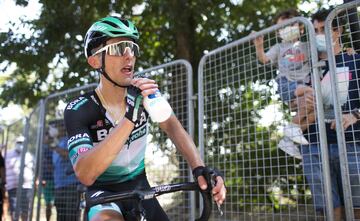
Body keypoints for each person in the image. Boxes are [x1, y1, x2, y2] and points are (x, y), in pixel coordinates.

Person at [64, 16, 226, 221]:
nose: (129, 55)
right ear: (95, 60)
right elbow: (86, 173)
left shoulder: (145, 94)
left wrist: (199, 168)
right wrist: (129, 118)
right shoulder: (78, 109)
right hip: (103, 193)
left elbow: (173, 128)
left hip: (140, 186)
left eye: (132, 48)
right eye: (118, 48)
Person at [302, 8, 360, 221]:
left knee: (357, 206)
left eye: (324, 29)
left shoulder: (356, 60)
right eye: (315, 30)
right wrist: (299, 101)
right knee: (327, 209)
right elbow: (292, 104)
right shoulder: (305, 67)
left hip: (353, 143)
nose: (319, 34)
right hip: (314, 145)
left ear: (338, 30)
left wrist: (354, 115)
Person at [253, 9, 316, 159]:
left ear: (300, 28)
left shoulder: (308, 45)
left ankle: (288, 140)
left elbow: (327, 52)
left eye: (290, 25)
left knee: (317, 108)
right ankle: (291, 129)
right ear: (277, 33)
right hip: (287, 84)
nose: (286, 30)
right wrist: (259, 46)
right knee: (313, 93)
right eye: (282, 27)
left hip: (303, 85)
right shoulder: (279, 48)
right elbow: (264, 59)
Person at [48, 122, 80, 221]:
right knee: (60, 215)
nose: (55, 129)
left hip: (71, 185)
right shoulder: (57, 143)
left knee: (71, 215)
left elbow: (71, 155)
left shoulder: (69, 140)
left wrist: (56, 148)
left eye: (58, 126)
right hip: (59, 185)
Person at [5, 136, 34, 221]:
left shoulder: (29, 155)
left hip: (26, 187)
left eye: (22, 143)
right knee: (14, 210)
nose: (20, 145)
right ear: (16, 143)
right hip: (12, 187)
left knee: (25, 210)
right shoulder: (8, 154)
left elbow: (33, 169)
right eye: (19, 143)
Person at [41, 131, 54, 221]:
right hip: (47, 180)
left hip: (56, 179)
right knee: (48, 204)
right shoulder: (42, 149)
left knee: (56, 203)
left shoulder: (53, 148)